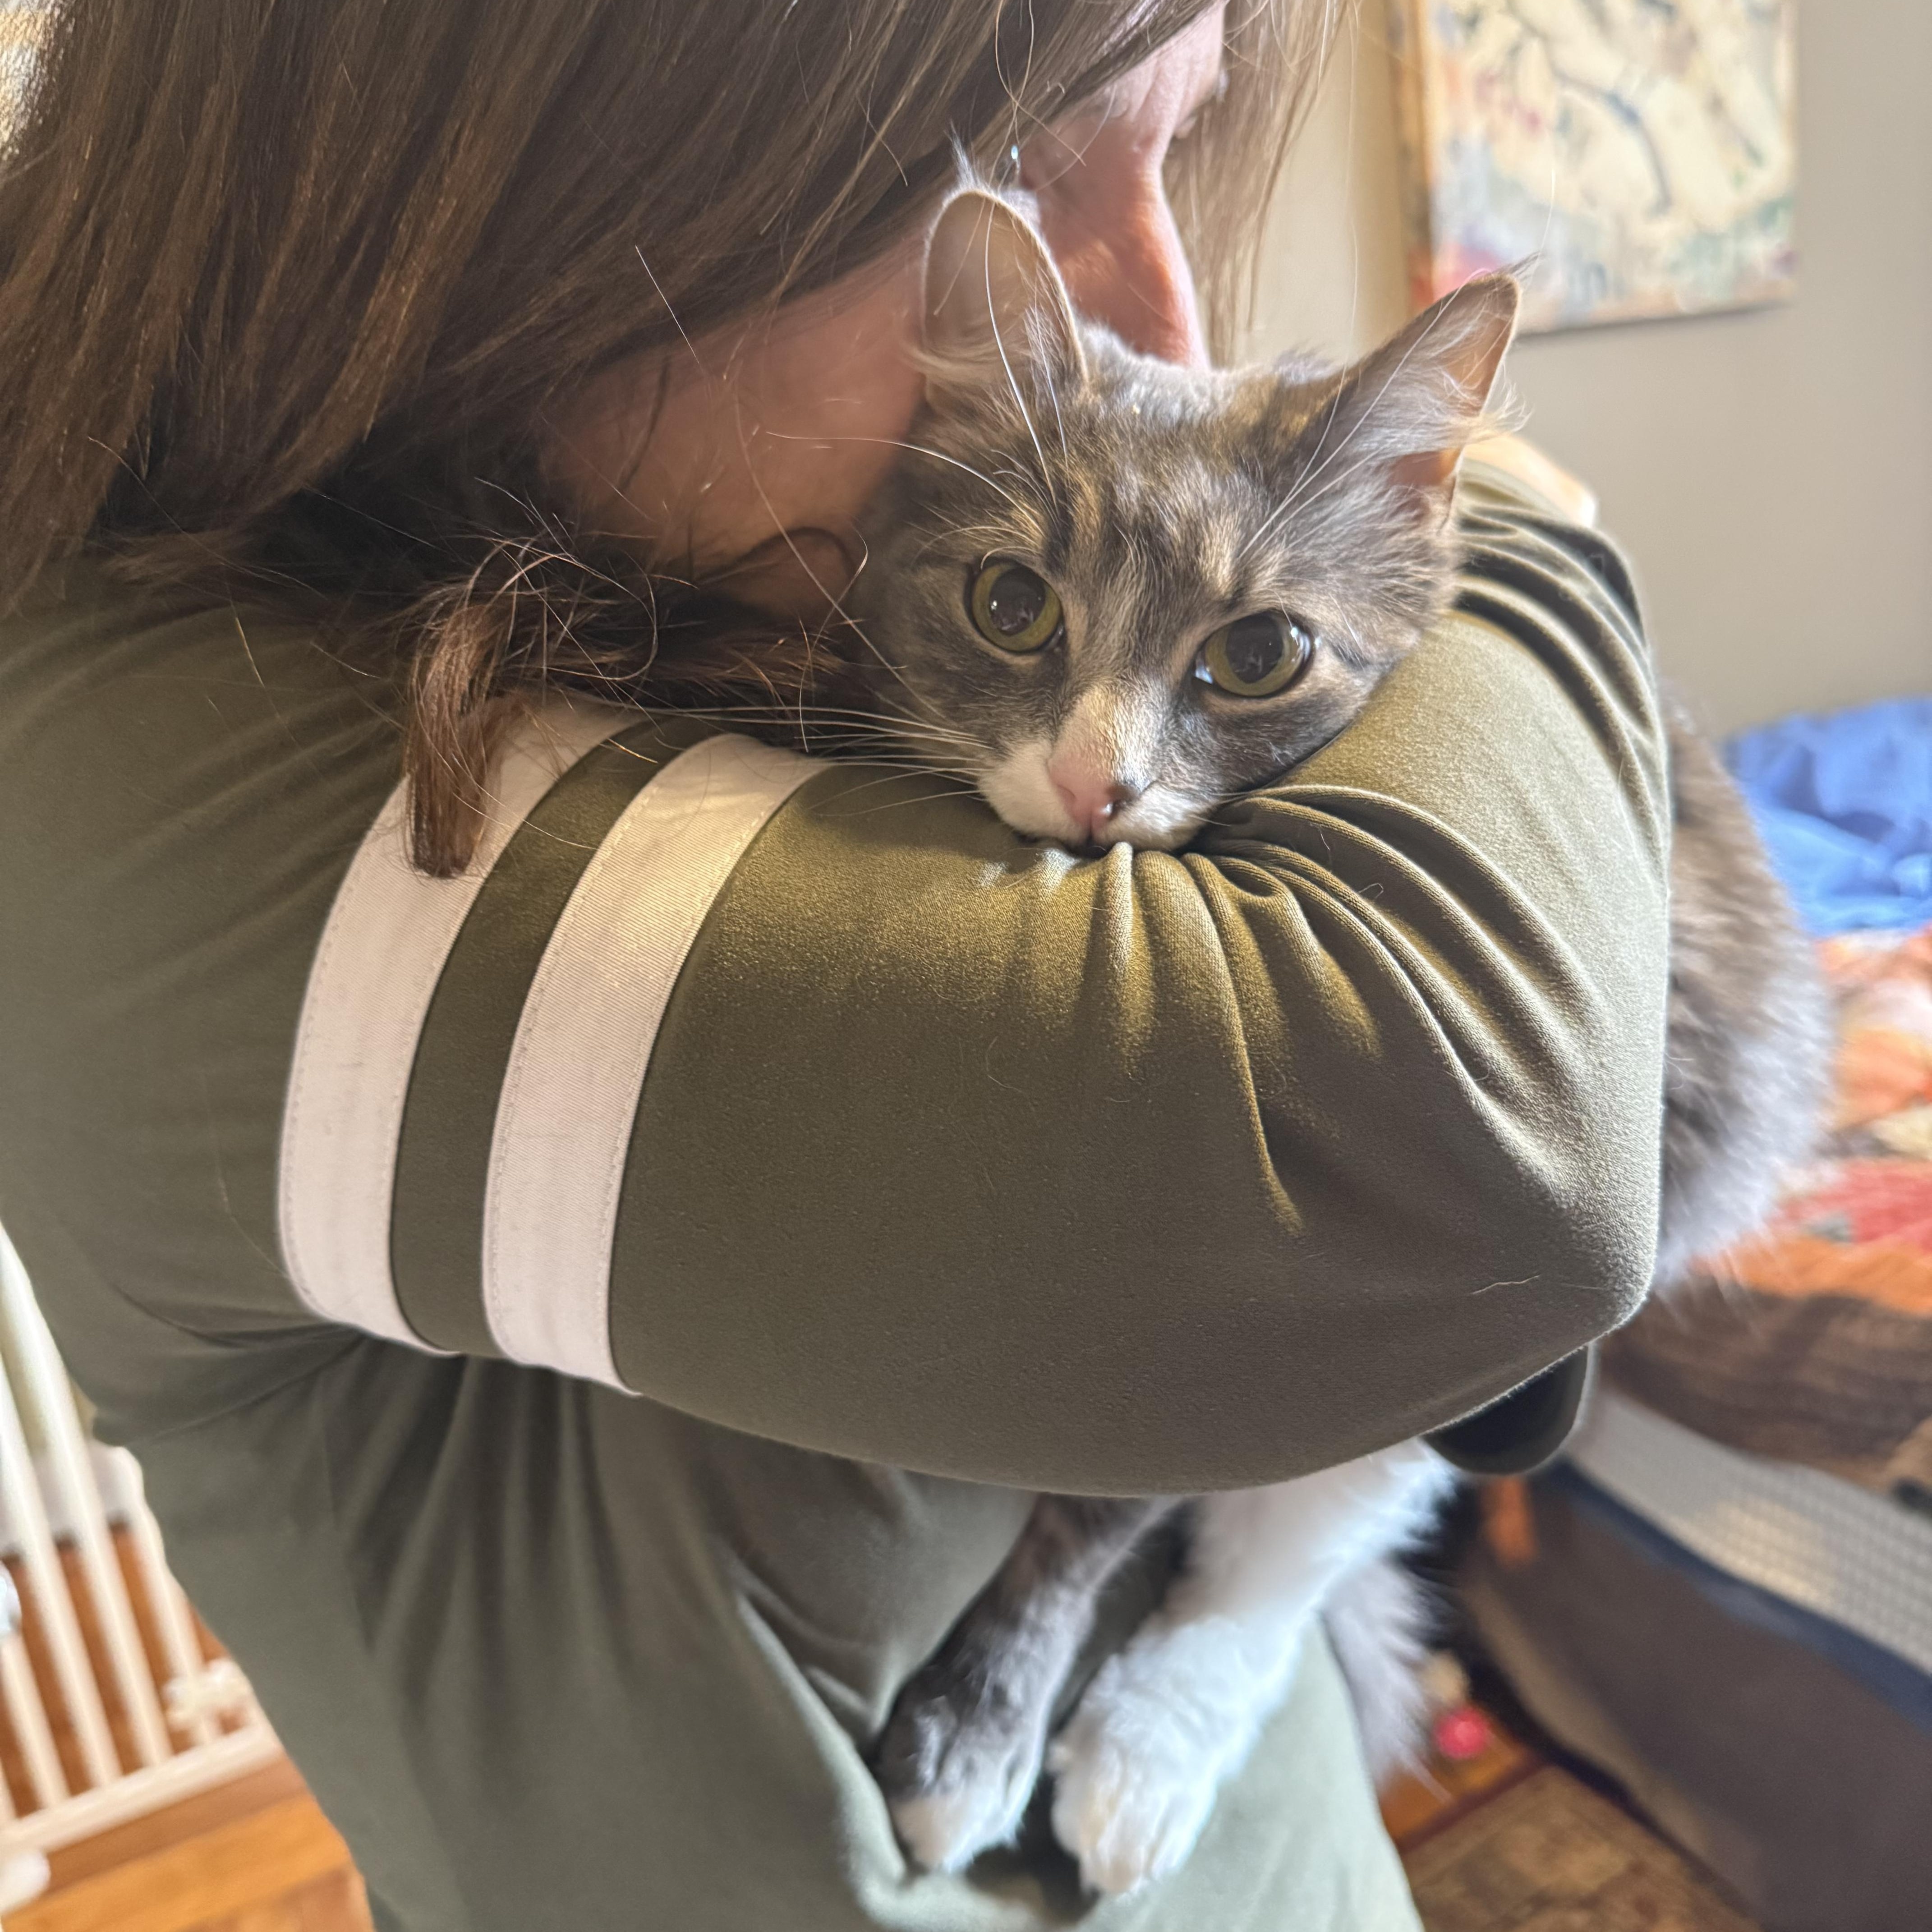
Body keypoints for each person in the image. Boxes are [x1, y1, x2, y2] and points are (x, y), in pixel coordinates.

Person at [0, 3, 1668, 1927]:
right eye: (1015, 164)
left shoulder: (771, 639)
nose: (1171, 321)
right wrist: (1498, 508)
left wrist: (1384, 502)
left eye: (1176, 146)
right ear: (551, 147)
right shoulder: (145, 763)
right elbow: (1478, 1161)